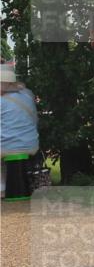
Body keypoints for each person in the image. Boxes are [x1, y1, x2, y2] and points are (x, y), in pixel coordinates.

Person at [1, 62, 39, 199]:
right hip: (32, 144)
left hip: (10, 146)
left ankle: (3, 190)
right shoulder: (28, 93)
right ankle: (11, 188)